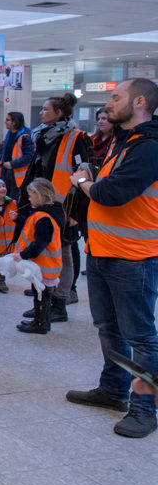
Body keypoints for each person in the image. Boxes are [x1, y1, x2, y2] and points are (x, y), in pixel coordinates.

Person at [67, 77, 158, 439]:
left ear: (138, 102)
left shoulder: (148, 147)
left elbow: (111, 193)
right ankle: (114, 390)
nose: (109, 103)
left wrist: (81, 182)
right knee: (109, 329)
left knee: (141, 336)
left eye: (116, 97)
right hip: (104, 252)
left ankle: (145, 409)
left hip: (134, 258)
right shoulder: (125, 144)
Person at [17, 93, 90, 322]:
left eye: (46, 109)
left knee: (64, 254)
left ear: (60, 113)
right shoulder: (42, 136)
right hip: (40, 205)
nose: (41, 112)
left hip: (63, 209)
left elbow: (84, 174)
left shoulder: (76, 138)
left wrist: (76, 213)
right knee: (39, 251)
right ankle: (42, 303)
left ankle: (60, 302)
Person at [13, 179, 65, 335]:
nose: (29, 199)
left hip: (44, 265)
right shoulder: (52, 212)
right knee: (43, 295)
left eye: (30, 196)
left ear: (39, 195)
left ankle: (40, 323)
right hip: (47, 265)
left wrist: (23, 255)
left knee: (41, 295)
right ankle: (42, 320)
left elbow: (40, 242)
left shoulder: (43, 217)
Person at [0, 112, 33, 200]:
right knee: (5, 198)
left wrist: (12, 164)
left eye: (8, 120)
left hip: (18, 175)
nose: (5, 122)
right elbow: (4, 150)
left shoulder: (26, 136)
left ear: (14, 122)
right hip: (7, 171)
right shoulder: (9, 134)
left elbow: (29, 157)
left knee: (14, 200)